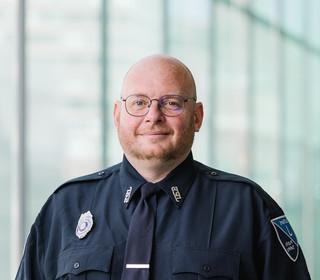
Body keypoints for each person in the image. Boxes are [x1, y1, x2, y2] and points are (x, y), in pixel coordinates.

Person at [16, 54, 311, 280]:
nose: (153, 116)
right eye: (139, 102)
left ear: (197, 117)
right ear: (118, 115)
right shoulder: (64, 208)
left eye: (171, 103)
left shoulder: (247, 208)